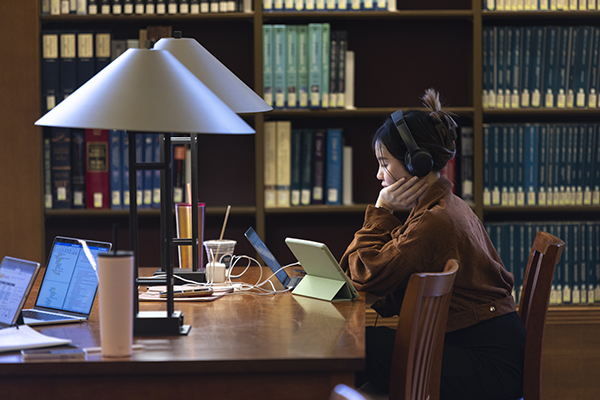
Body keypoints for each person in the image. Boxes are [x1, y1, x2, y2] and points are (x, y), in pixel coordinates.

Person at [340, 88, 525, 400]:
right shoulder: (439, 205)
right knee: (363, 340)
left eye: (384, 163)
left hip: (490, 367)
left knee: (356, 343)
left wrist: (382, 210)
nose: (378, 175)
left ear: (417, 164)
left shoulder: (435, 220)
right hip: (483, 350)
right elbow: (370, 274)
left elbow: (364, 274)